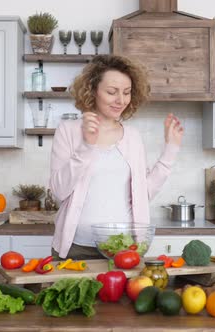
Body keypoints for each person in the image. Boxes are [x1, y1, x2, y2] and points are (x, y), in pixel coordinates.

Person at [49, 55, 184, 260]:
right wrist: (87, 145)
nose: (121, 100)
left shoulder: (133, 137)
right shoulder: (68, 131)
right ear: (93, 90)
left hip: (123, 248)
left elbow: (143, 192)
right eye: (112, 92)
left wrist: (171, 149)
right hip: (76, 248)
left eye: (127, 92)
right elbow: (59, 191)